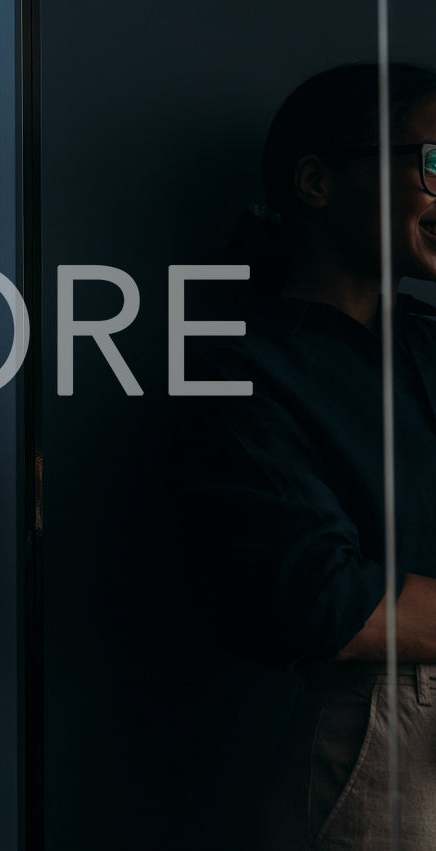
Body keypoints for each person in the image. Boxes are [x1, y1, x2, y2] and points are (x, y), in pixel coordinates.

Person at [171, 62, 436, 849]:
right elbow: (322, 597)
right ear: (318, 182)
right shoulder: (242, 368)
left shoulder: (426, 343)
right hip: (382, 725)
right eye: (431, 161)